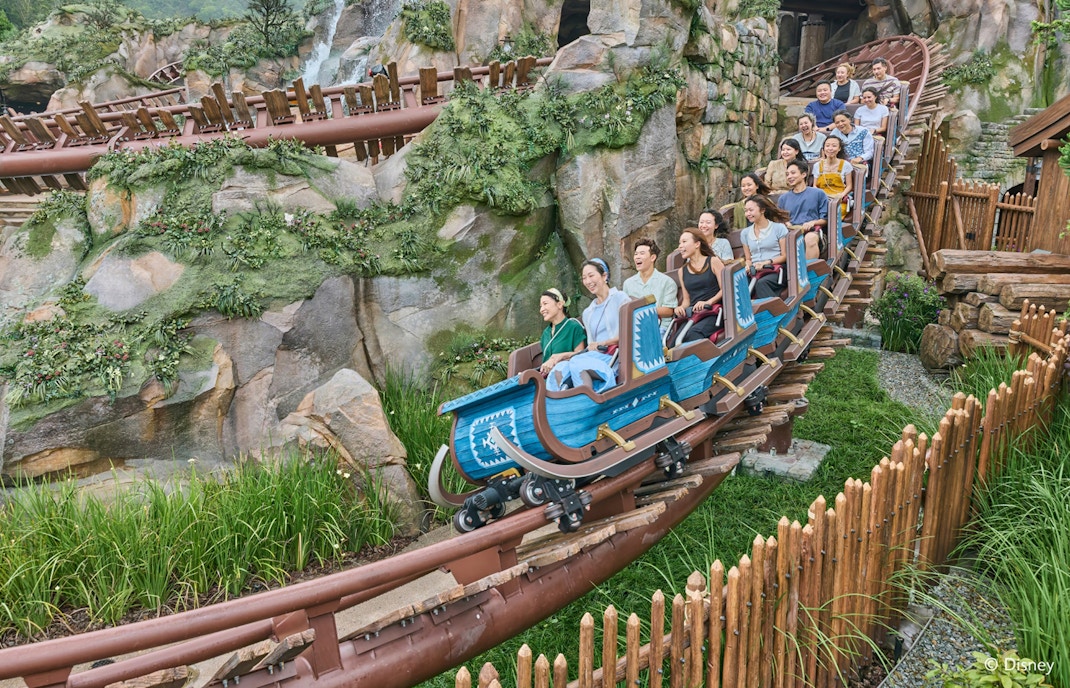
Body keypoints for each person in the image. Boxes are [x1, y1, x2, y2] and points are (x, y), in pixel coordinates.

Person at [546, 258, 631, 392]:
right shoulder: (588, 312)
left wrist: (604, 342)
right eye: (584, 278)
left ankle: (588, 398)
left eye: (591, 276)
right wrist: (563, 356)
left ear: (604, 276)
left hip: (617, 357)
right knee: (559, 368)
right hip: (596, 357)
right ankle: (561, 403)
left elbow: (629, 333)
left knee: (577, 363)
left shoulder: (620, 298)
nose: (588, 281)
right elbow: (591, 348)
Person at [672, 230, 724, 343]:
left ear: (697, 244)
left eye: (684, 242)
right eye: (679, 243)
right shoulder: (682, 271)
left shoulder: (713, 262)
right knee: (673, 342)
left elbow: (725, 289)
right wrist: (680, 308)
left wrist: (708, 302)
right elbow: (687, 300)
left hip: (715, 312)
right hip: (695, 314)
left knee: (694, 334)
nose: (680, 246)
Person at [623, 238, 679, 333]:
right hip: (635, 329)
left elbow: (669, 311)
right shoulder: (628, 284)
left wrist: (643, 310)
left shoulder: (667, 282)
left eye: (642, 253)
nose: (637, 257)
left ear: (653, 257)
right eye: (636, 254)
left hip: (659, 329)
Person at [740, 195, 791, 300]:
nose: (748, 214)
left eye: (751, 210)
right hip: (755, 271)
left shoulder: (778, 228)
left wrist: (766, 263)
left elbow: (784, 256)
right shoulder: (745, 233)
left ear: (762, 210)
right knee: (738, 286)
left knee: (762, 283)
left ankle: (775, 313)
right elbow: (748, 259)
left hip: (776, 269)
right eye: (746, 211)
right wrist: (747, 266)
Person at [778, 159, 827, 260]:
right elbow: (781, 220)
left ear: (803, 174)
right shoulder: (783, 198)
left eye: (793, 173)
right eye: (787, 174)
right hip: (791, 233)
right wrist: (787, 224)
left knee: (810, 239)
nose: (789, 177)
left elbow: (825, 219)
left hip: (812, 232)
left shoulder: (818, 193)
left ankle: (809, 272)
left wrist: (812, 223)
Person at [536, 288, 587, 376]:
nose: (541, 310)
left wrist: (560, 357)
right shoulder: (546, 333)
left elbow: (581, 356)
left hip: (568, 378)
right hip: (547, 380)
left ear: (559, 304)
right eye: (541, 306)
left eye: (545, 304)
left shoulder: (574, 327)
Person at [812, 135, 853, 219]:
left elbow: (849, 186)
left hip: (838, 198)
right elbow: (815, 186)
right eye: (827, 146)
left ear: (839, 148)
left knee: (835, 212)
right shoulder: (817, 166)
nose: (830, 148)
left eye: (834, 146)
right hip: (822, 198)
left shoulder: (846, 165)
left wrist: (841, 195)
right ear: (823, 149)